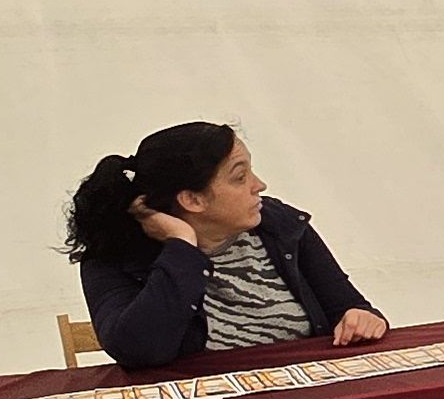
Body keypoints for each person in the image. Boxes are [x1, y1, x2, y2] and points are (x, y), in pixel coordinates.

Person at [67, 123, 383, 369]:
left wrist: (362, 317)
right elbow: (139, 350)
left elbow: (349, 308)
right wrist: (182, 246)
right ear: (192, 199)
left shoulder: (280, 226)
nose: (259, 185)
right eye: (239, 177)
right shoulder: (113, 255)